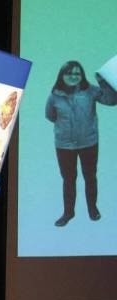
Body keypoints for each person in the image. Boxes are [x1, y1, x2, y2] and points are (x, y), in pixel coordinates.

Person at [45, 60, 117, 226]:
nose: (73, 76)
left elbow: (112, 101)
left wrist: (103, 80)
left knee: (90, 177)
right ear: (62, 75)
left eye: (77, 73)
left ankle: (93, 209)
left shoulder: (91, 91)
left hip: (89, 143)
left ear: (82, 75)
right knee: (69, 179)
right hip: (64, 146)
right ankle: (68, 213)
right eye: (69, 73)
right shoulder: (54, 96)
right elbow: (50, 116)